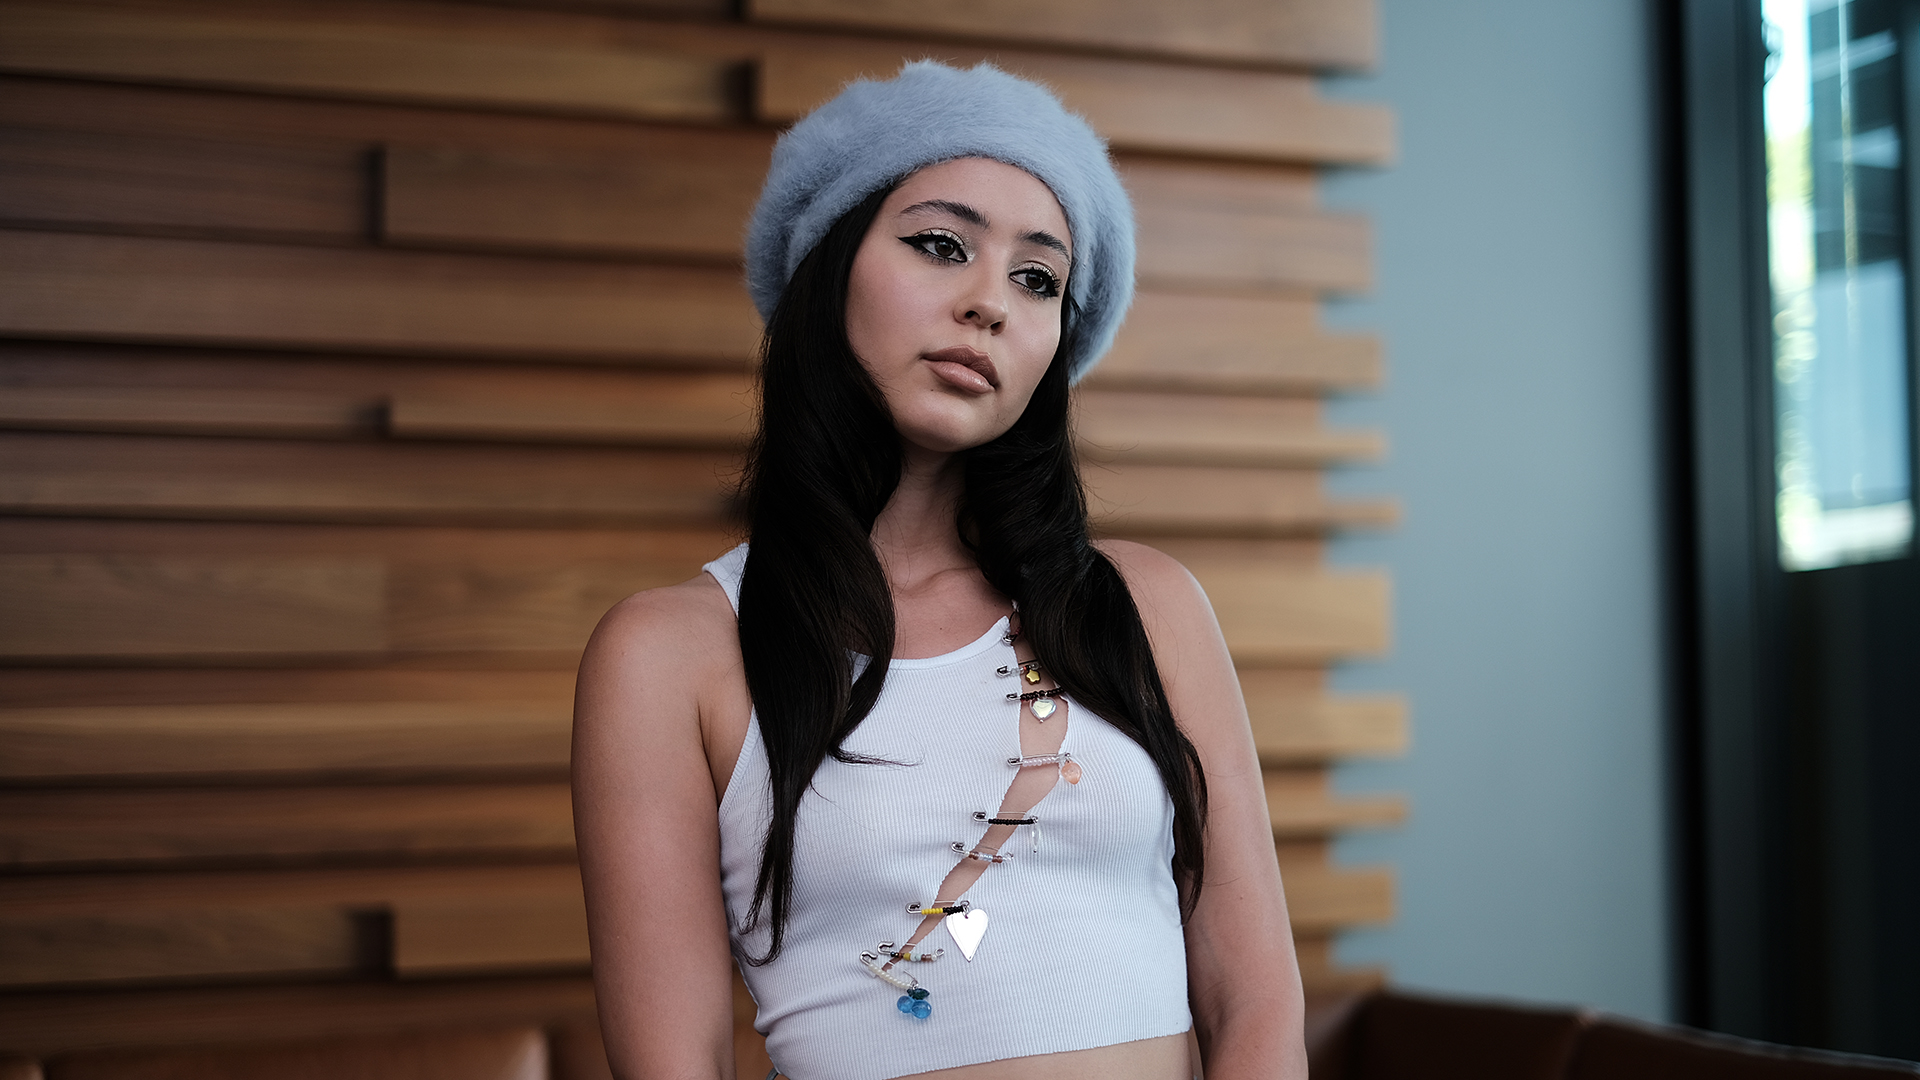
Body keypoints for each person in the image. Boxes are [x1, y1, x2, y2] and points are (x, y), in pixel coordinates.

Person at [573, 61, 1307, 1080]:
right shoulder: (669, 653)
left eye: (1037, 278)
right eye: (940, 245)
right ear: (829, 266)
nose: (988, 303)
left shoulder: (1144, 604)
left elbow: (1256, 1001)